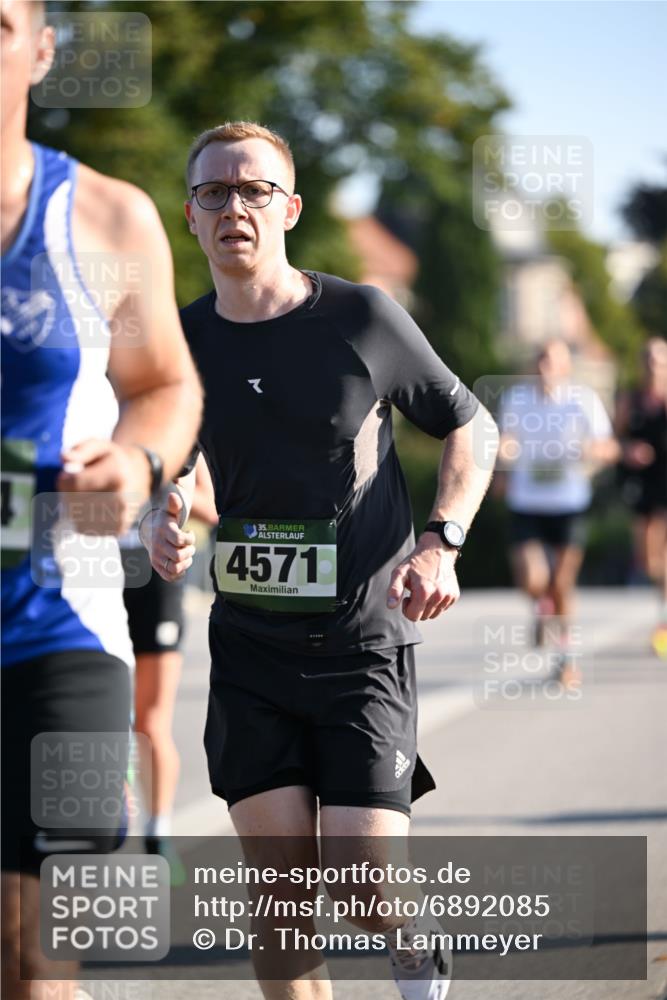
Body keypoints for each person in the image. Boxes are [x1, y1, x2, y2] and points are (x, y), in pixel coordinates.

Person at [141, 120, 498, 1000]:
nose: (234, 206)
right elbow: (169, 458)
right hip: (252, 648)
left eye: (254, 189)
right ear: (190, 216)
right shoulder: (180, 344)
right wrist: (164, 511)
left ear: (289, 207)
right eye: (214, 192)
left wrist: (441, 541)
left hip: (362, 645)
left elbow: (471, 425)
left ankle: (414, 946)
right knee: (281, 894)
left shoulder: (360, 317)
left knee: (362, 880)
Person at [0, 2, 202, 997]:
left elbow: (166, 386)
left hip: (62, 630)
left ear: (40, 53)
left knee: (37, 957)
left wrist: (136, 464)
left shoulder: (107, 218)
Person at [497, 339, 618, 684]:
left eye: (553, 360)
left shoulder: (582, 400)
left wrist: (592, 449)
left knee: (562, 584)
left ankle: (566, 661)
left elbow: (609, 447)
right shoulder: (517, 400)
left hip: (569, 503)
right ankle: (541, 606)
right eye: (541, 359)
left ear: (566, 366)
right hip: (527, 503)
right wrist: (505, 453)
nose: (546, 366)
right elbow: (504, 439)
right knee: (532, 578)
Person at [121, 454, 217, 877]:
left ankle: (158, 836)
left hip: (153, 572)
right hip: (86, 572)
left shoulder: (169, 406)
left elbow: (213, 506)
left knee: (151, 720)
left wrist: (159, 493)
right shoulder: (73, 401)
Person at [615, 337, 667, 657]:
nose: (653, 366)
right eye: (648, 359)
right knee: (649, 562)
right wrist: (627, 450)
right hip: (642, 486)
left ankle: (663, 625)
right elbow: (613, 440)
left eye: (659, 360)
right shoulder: (630, 400)